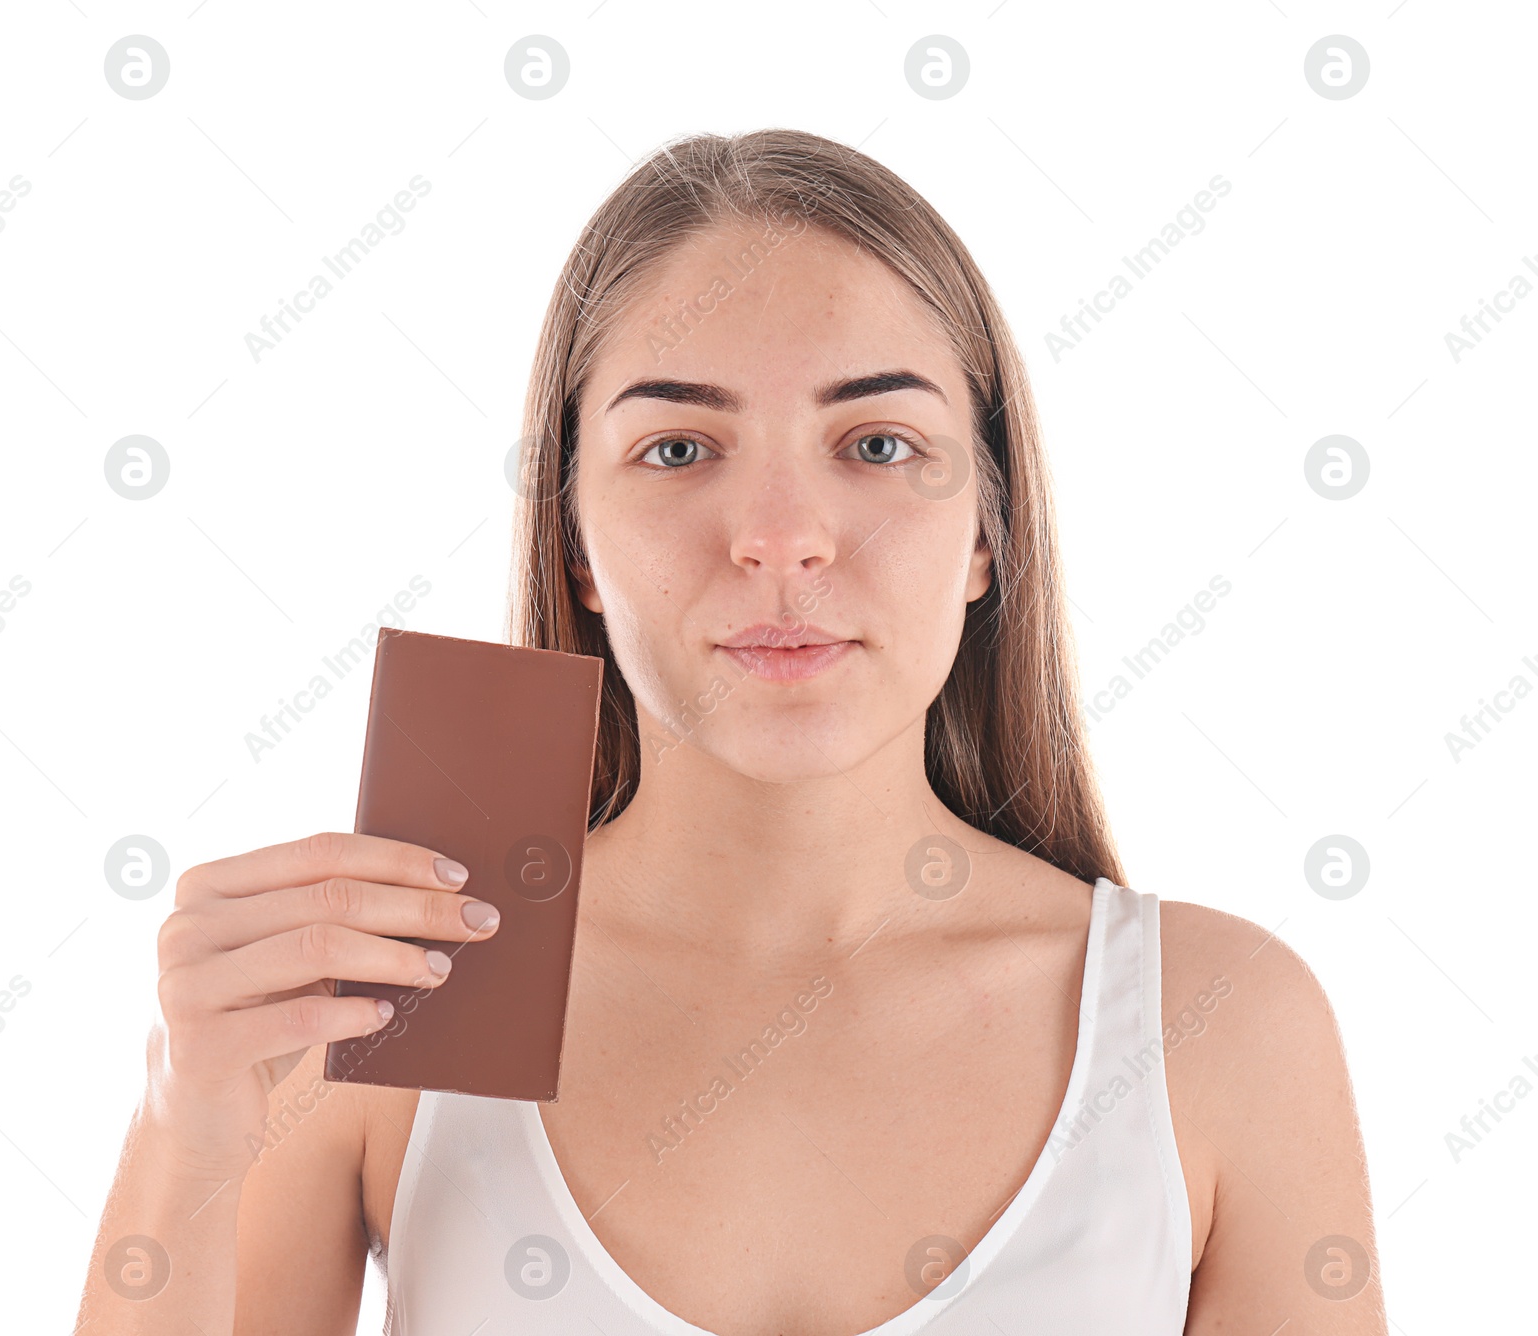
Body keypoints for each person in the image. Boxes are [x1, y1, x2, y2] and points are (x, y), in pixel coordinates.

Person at [78, 129, 1385, 1335]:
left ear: (988, 533)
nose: (779, 537)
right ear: (574, 542)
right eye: (677, 450)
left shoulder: (1216, 1027)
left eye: (876, 444)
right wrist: (185, 1128)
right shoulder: (389, 1002)